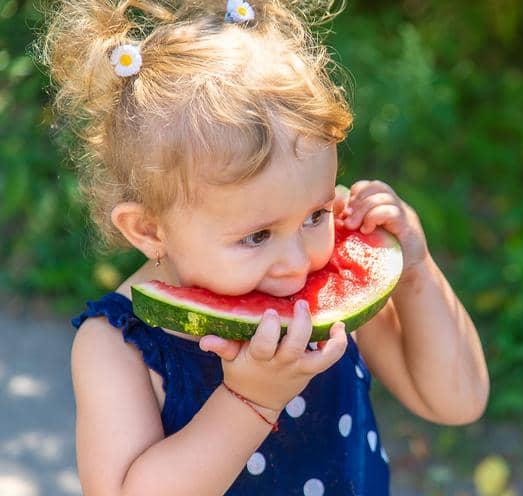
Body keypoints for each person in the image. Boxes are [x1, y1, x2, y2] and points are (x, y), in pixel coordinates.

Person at [39, 1, 490, 494]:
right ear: (148, 230)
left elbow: (456, 401)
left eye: (316, 214)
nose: (298, 264)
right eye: (257, 236)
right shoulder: (116, 346)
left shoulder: (328, 281)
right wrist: (250, 402)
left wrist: (415, 274)